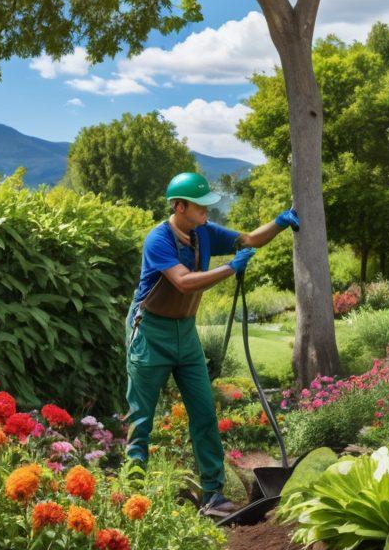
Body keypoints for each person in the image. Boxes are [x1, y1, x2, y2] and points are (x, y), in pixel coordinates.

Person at [125, 171, 299, 518]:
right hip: (151, 333)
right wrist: (230, 269)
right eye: (200, 206)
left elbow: (248, 239)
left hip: (185, 334)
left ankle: (213, 497)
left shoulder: (203, 233)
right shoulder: (157, 240)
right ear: (179, 206)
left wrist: (280, 222)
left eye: (207, 205)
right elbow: (184, 282)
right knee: (142, 419)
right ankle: (132, 497)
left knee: (204, 413)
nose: (206, 211)